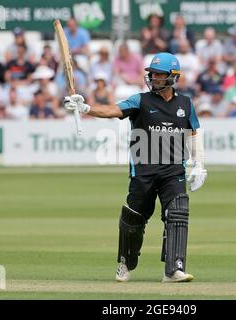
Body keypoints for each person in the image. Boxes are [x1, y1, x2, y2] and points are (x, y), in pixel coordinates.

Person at [63, 52, 207, 283]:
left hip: (173, 171)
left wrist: (199, 165)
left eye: (159, 74)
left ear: (173, 76)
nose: (154, 78)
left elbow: (193, 133)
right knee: (134, 219)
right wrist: (87, 108)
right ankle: (125, 263)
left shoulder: (185, 104)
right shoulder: (140, 100)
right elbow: (113, 110)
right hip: (143, 171)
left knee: (177, 214)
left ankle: (174, 269)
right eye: (152, 74)